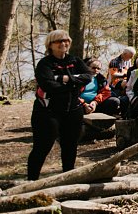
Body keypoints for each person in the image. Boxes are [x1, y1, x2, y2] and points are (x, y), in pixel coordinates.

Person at [28, 30, 93, 180]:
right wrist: (73, 82)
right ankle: (31, 180)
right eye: (58, 41)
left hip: (73, 110)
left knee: (70, 146)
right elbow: (48, 85)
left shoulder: (75, 61)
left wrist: (62, 78)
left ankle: (68, 178)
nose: (63, 44)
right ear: (50, 45)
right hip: (48, 112)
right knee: (42, 147)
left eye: (66, 41)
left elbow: (88, 76)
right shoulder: (45, 64)